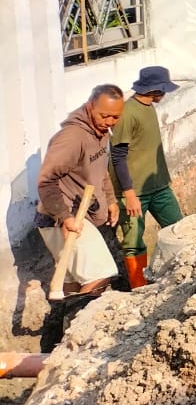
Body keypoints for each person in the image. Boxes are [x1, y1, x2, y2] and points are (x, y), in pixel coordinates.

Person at [35, 85, 125, 346]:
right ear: (90, 107)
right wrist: (64, 217)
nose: (109, 122)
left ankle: (61, 341)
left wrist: (110, 199)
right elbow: (46, 181)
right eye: (104, 116)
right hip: (61, 219)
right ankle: (79, 342)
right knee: (100, 275)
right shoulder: (72, 138)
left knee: (75, 283)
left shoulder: (101, 133)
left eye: (115, 117)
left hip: (80, 215)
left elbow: (101, 172)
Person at [110, 66, 183, 289]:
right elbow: (118, 156)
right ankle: (139, 288)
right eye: (164, 90)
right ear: (156, 89)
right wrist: (129, 194)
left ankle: (180, 276)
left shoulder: (149, 107)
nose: (165, 94)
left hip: (159, 186)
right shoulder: (128, 114)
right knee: (133, 242)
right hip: (134, 191)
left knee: (178, 229)